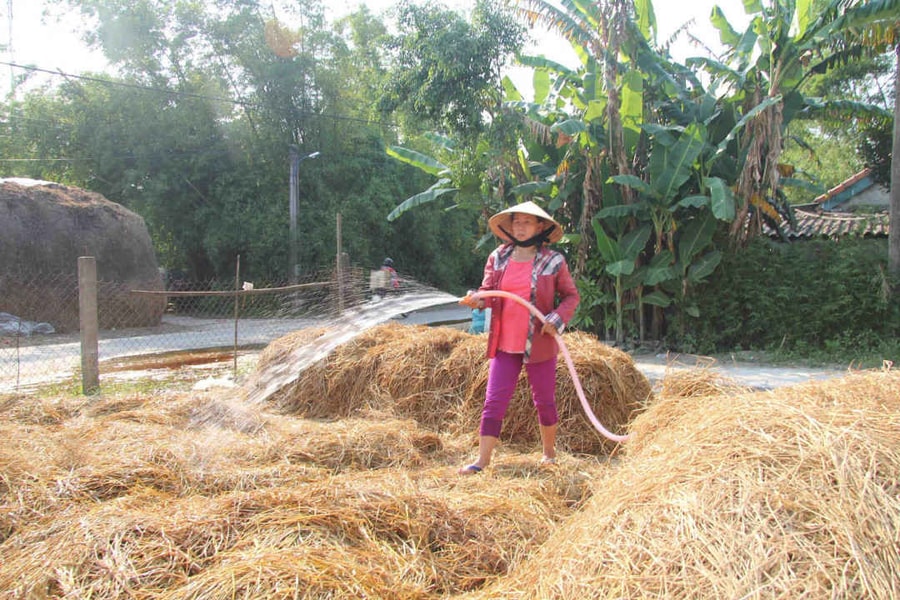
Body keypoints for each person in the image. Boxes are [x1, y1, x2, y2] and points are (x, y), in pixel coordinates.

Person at [458, 201, 579, 474]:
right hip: (504, 342)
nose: (521, 227)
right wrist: (475, 300)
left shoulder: (553, 261)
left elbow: (571, 296)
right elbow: (487, 293)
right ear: (509, 226)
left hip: (539, 341)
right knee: (494, 401)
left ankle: (549, 455)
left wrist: (557, 319)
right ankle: (482, 461)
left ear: (540, 227)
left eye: (527, 222)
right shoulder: (498, 257)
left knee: (544, 400)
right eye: (516, 222)